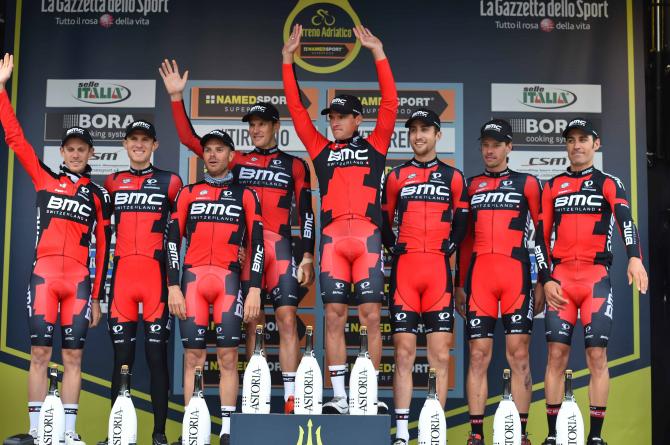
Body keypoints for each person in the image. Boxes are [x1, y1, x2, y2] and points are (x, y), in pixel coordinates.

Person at [160, 60, 316, 413]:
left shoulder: (295, 165)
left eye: (262, 124)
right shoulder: (236, 159)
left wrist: (306, 255)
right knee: (252, 322)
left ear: (275, 126)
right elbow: (189, 138)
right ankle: (255, 398)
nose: (256, 129)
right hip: (249, 252)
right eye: (252, 125)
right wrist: (175, 97)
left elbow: (306, 213)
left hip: (281, 248)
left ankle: (292, 399)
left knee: (288, 318)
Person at [282, 23, 398, 414]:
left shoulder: (376, 144)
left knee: (369, 316)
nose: (335, 120)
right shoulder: (319, 148)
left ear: (358, 120)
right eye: (332, 115)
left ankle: (369, 397)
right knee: (332, 316)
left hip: (366, 240)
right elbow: (297, 111)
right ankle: (340, 397)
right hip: (332, 242)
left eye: (343, 116)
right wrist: (287, 60)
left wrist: (378, 53)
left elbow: (391, 104)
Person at [0, 53, 111, 444]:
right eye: (70, 149)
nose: (76, 154)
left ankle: (67, 433)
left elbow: (107, 247)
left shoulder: (99, 195)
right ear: (62, 153)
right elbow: (15, 138)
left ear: (91, 154)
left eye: (83, 149)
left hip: (79, 282)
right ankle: (34, 433)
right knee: (40, 355)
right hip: (44, 277)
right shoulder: (44, 178)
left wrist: (98, 297)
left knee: (74, 358)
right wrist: (0, 89)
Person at [534, 118, 648, 445]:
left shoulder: (609, 183)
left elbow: (626, 221)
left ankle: (595, 437)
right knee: (556, 354)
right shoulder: (552, 186)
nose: (577, 145)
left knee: (596, 356)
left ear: (596, 144)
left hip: (595, 278)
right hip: (562, 280)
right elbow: (540, 239)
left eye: (583, 139)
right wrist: (546, 278)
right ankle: (553, 435)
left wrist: (635, 257)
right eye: (571, 140)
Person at [165, 128, 263, 444]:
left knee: (228, 357)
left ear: (231, 155)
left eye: (220, 149)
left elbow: (257, 244)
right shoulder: (188, 193)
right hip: (192, 281)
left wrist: (255, 289)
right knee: (193, 357)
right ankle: (194, 427)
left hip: (229, 282)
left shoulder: (246, 194)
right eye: (208, 149)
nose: (212, 154)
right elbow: (170, 241)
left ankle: (228, 429)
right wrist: (172, 287)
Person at [382, 109, 469, 445]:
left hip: (437, 273)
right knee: (403, 354)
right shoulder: (396, 176)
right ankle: (403, 434)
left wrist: (446, 248)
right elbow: (384, 218)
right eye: (413, 131)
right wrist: (395, 249)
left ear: (437, 136)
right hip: (405, 273)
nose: (418, 136)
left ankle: (434, 432)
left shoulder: (454, 177)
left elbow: (462, 224)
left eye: (425, 130)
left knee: (439, 356)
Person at [455, 119, 543, 445]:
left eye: (496, 144)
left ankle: (520, 434)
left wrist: (542, 280)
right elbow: (463, 241)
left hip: (516, 277)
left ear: (509, 147)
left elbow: (542, 237)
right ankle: (476, 434)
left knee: (519, 356)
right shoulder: (469, 185)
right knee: (478, 355)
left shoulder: (528, 183)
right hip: (479, 278)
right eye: (485, 144)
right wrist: (459, 284)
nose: (489, 150)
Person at [101, 120, 182, 445]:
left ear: (155, 145)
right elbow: (101, 234)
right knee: (121, 358)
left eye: (145, 139)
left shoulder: (171, 182)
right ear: (125, 144)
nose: (139, 144)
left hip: (156, 283)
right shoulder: (112, 182)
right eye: (133, 139)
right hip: (121, 280)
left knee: (156, 359)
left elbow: (180, 232)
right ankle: (116, 434)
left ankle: (159, 434)